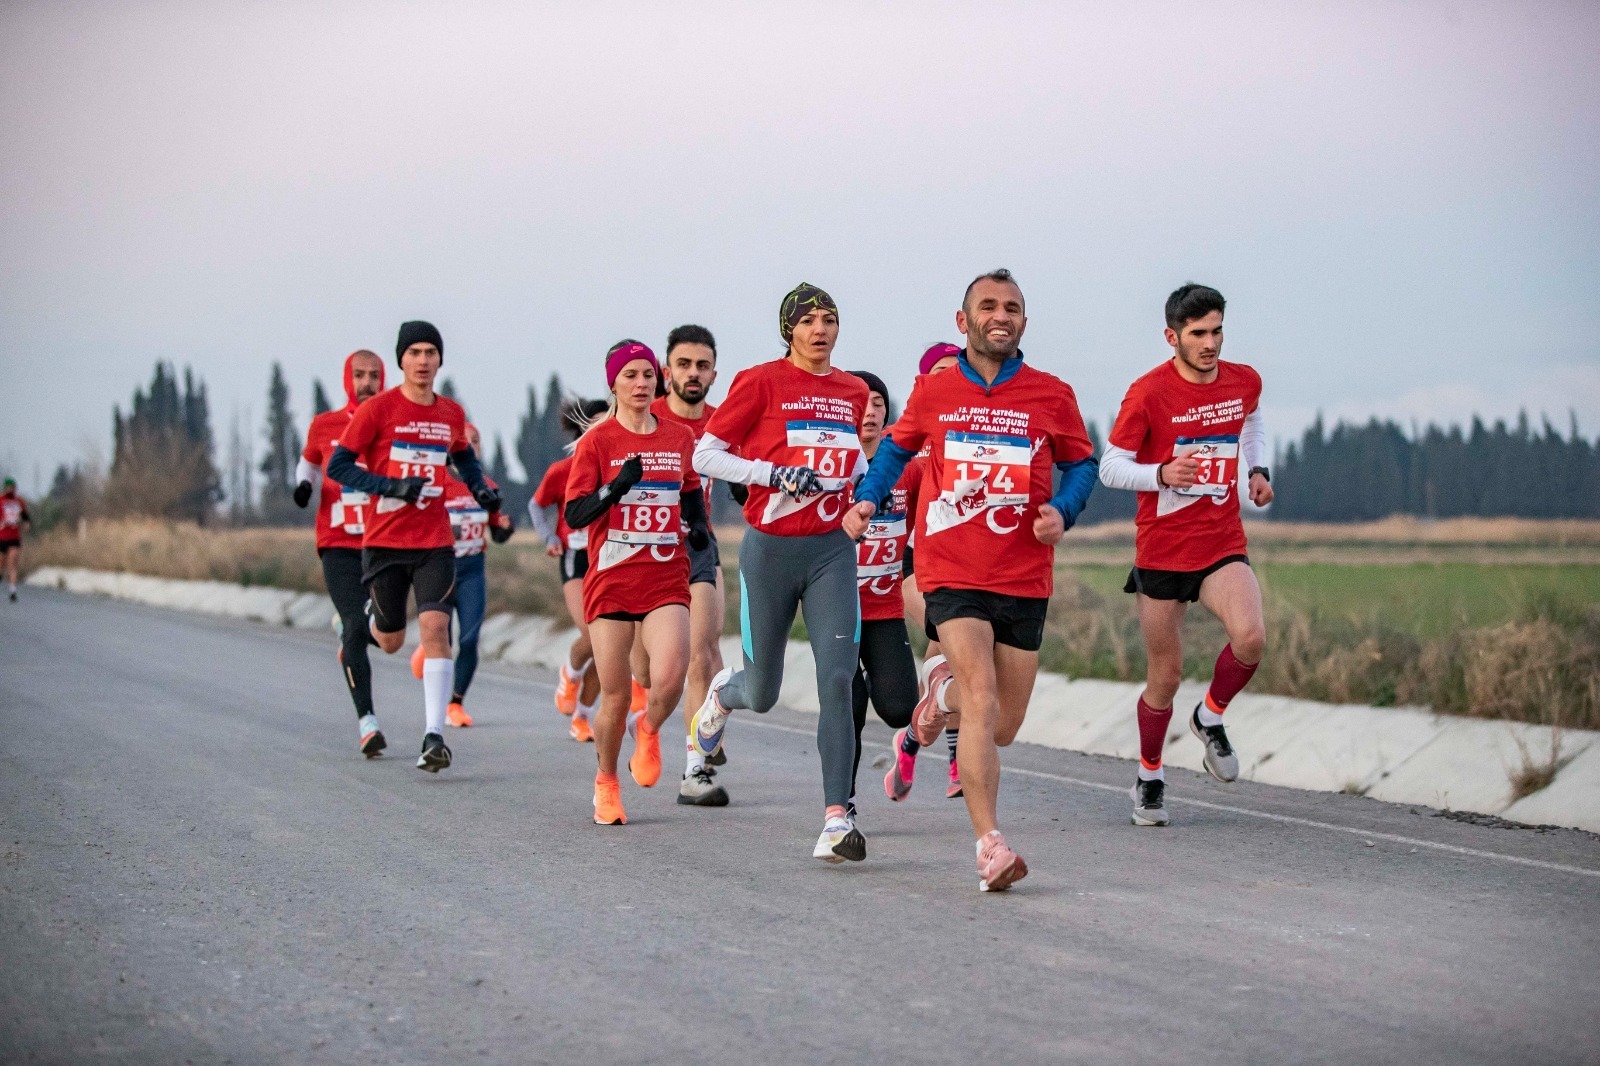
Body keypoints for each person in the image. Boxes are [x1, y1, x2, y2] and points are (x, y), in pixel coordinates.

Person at [847, 269, 1098, 891]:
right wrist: (868, 499)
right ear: (964, 322)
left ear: (1023, 321)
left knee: (1001, 725)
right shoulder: (935, 391)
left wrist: (1062, 510)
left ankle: (936, 703)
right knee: (981, 697)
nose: (1001, 315)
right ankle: (989, 845)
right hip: (950, 569)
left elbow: (1082, 464)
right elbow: (897, 452)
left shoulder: (1051, 394)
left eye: (1012, 307)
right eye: (988, 306)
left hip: (1023, 573)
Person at [690, 282, 871, 863]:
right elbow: (706, 455)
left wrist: (870, 492)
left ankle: (836, 819)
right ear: (788, 329)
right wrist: (772, 474)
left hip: (831, 552)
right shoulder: (760, 381)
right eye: (809, 320)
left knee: (838, 679)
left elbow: (855, 460)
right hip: (770, 549)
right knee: (762, 691)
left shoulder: (853, 389)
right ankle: (721, 697)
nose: (820, 329)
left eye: (829, 319)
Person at [1097, 283, 1273, 827]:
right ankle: (1149, 778)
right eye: (1198, 334)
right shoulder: (1148, 392)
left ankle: (1210, 716)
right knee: (1164, 677)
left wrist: (1257, 469)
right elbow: (1111, 466)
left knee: (1251, 637)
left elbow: (1251, 419)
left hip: (1221, 543)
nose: (1210, 343)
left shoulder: (1243, 380)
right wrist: (1160, 474)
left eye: (1217, 331)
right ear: (1172, 336)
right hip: (1162, 550)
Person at [327, 320, 502, 773]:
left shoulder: (450, 413)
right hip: (385, 541)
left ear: (440, 359)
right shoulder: (379, 410)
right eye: (415, 353)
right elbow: (340, 466)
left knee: (435, 631)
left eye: (431, 352)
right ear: (401, 360)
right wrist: (392, 486)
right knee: (389, 641)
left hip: (433, 542)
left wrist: (479, 487)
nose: (423, 361)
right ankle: (364, 620)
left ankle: (434, 736)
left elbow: (461, 454)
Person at [563, 342, 709, 826]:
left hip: (665, 573)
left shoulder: (678, 437)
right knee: (616, 693)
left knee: (670, 672)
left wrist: (701, 527)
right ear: (614, 385)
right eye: (631, 375)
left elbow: (689, 489)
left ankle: (647, 729)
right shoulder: (597, 443)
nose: (642, 383)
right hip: (611, 580)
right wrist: (615, 487)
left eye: (649, 374)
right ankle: (606, 781)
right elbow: (576, 512)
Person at [651, 325, 737, 807]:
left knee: (703, 652)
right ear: (667, 371)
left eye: (702, 366)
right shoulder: (648, 415)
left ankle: (695, 771)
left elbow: (747, 478)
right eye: (683, 364)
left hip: (699, 546)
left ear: (713, 374)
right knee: (652, 672)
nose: (692, 373)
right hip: (644, 554)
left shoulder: (722, 422)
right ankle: (687, 726)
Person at [293, 350, 388, 756]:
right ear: (347, 379)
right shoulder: (325, 425)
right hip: (337, 542)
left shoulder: (392, 424)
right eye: (359, 375)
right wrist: (304, 486)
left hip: (383, 540)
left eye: (374, 376)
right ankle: (368, 723)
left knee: (387, 635)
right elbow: (309, 464)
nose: (367, 383)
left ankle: (348, 629)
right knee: (354, 625)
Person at [843, 371, 920, 811]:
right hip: (834, 608)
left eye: (877, 403)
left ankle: (877, 675)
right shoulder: (831, 468)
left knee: (898, 708)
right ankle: (843, 802)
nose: (869, 412)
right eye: (861, 402)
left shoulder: (908, 468)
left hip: (884, 606)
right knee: (848, 708)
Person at [903, 342, 963, 798]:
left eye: (954, 371)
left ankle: (912, 738)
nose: (948, 379)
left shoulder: (975, 429)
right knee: (951, 643)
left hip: (968, 561)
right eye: (938, 373)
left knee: (965, 661)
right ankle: (959, 759)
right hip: (913, 561)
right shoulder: (907, 437)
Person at [529, 400, 607, 742]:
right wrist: (549, 536)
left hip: (609, 558)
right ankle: (571, 673)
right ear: (583, 429)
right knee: (592, 636)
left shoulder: (617, 466)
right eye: (599, 424)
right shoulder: (564, 469)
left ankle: (583, 715)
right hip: (575, 558)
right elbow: (537, 503)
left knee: (610, 649)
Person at [434, 421, 514, 727]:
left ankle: (455, 703)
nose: (472, 445)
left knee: (469, 639)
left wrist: (505, 529)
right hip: (439, 568)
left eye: (476, 440)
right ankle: (426, 654)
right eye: (464, 441)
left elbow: (497, 530)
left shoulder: (487, 485)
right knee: (441, 635)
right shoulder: (438, 480)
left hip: (472, 570)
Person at [0, 478, 30, 602]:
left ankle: (12, 590)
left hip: (14, 537)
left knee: (13, 562)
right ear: (5, 488)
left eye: (12, 487)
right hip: (2, 536)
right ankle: (1, 574)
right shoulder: (1, 500)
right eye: (8, 487)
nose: (10, 489)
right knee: (2, 563)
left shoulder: (19, 501)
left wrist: (26, 524)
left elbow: (25, 516)